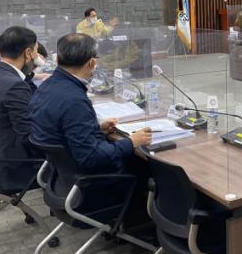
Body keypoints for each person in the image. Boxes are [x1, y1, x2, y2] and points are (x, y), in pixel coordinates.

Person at [29, 33, 153, 227]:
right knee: (145, 166)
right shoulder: (74, 99)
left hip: (63, 181)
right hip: (89, 189)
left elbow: (62, 131)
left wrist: (97, 129)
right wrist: (132, 141)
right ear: (92, 63)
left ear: (59, 58)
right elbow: (91, 157)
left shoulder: (47, 87)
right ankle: (139, 227)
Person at [0, 26, 43, 191]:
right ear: (28, 53)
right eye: (36, 51)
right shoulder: (14, 85)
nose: (37, 56)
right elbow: (30, 136)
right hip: (8, 169)